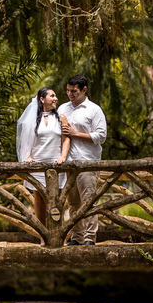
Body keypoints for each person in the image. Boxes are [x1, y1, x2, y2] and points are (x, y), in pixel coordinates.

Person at [58, 74, 107, 246]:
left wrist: (75, 134)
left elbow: (101, 136)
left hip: (87, 161)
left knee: (88, 202)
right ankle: (76, 237)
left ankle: (89, 238)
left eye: (74, 91)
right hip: (68, 162)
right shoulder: (62, 108)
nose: (70, 94)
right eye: (68, 91)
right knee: (73, 203)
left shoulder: (94, 110)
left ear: (84, 90)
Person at [16, 88, 70, 244]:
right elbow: (26, 142)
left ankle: (57, 235)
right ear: (41, 99)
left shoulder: (61, 118)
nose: (56, 98)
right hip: (37, 164)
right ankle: (43, 236)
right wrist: (29, 157)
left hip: (56, 163)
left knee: (57, 200)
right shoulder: (31, 119)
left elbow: (66, 139)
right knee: (39, 200)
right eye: (52, 96)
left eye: (55, 96)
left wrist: (63, 156)